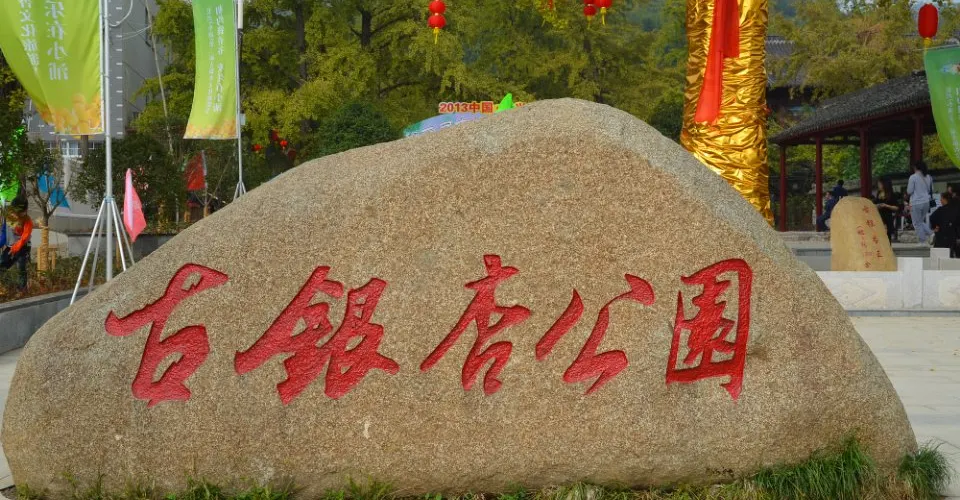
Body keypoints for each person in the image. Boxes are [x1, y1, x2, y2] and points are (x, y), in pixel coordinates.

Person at [0, 198, 32, 292]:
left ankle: (22, 290)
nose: (21, 214)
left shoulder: (28, 221)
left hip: (23, 248)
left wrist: (15, 248)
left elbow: (24, 238)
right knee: (2, 266)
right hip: (10, 247)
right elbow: (5, 234)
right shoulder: (9, 218)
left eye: (23, 212)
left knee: (21, 268)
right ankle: (10, 287)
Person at [906, 160, 935, 245]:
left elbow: (909, 191)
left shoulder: (913, 177)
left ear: (915, 167)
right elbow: (932, 190)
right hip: (926, 202)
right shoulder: (929, 177)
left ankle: (923, 240)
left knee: (916, 223)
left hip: (916, 202)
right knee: (920, 221)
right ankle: (931, 234)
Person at [930, 193, 960, 257]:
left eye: (941, 198)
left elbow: (932, 218)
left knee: (940, 256)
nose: (940, 200)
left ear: (944, 199)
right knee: (951, 255)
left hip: (941, 236)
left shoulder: (940, 210)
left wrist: (935, 227)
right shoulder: (956, 210)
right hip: (952, 236)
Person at [875, 179, 900, 243]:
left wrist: (886, 206)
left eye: (880, 184)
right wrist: (877, 205)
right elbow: (875, 203)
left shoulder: (891, 194)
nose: (878, 186)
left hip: (888, 216)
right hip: (879, 216)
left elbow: (896, 208)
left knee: (887, 235)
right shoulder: (878, 193)